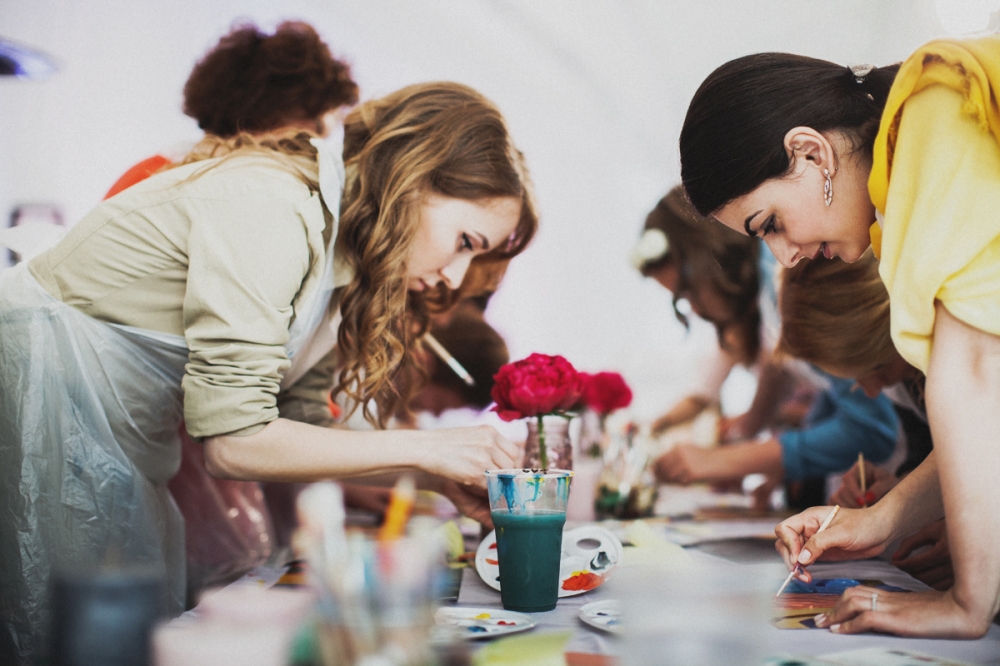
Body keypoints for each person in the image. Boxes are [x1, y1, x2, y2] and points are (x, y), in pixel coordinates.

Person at [0, 80, 536, 662]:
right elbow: (235, 442)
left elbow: (296, 427)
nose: (455, 280)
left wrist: (434, 475)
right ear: (414, 178)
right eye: (463, 242)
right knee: (68, 639)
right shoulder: (272, 206)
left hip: (111, 428)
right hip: (44, 403)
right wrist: (427, 447)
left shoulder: (340, 254)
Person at [679, 36, 1000, 637]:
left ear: (809, 152)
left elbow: (980, 376)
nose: (787, 255)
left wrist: (966, 604)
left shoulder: (933, 110)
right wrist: (881, 519)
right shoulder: (895, 199)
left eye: (770, 223)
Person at [636, 187, 898, 510]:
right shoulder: (765, 298)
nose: (697, 312)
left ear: (707, 256)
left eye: (687, 292)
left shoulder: (786, 279)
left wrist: (727, 460)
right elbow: (833, 393)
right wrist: (782, 460)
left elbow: (872, 426)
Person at [778, 251, 951, 591]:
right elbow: (940, 459)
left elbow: (977, 454)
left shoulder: (958, 357)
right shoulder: (904, 374)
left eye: (876, 370)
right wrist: (894, 488)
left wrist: (976, 530)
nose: (871, 391)